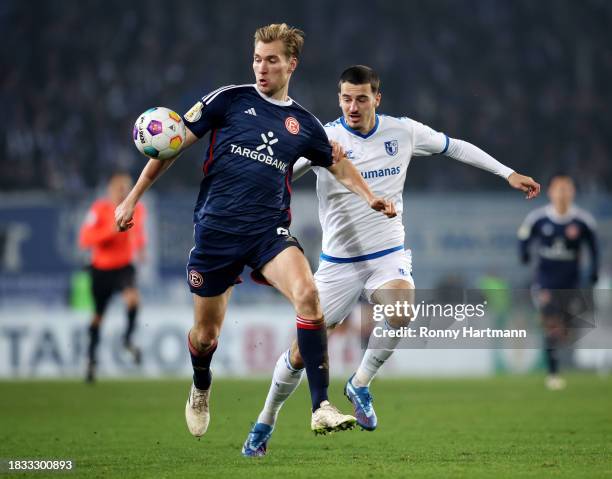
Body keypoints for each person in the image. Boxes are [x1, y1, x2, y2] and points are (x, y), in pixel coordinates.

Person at [242, 65, 540, 456]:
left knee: (401, 308)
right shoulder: (325, 138)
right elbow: (281, 173)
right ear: (339, 99)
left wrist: (507, 173)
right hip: (338, 264)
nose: (353, 106)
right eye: (346, 98)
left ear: (376, 99)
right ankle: (264, 423)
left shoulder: (402, 131)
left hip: (387, 255)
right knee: (301, 354)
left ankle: (360, 384)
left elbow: (456, 146)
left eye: (361, 98)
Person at [115, 25, 397, 439]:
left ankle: (320, 406)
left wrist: (369, 195)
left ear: (291, 64)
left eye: (272, 60)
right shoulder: (228, 100)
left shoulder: (303, 123)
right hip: (216, 232)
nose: (262, 68)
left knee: (309, 296)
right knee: (206, 335)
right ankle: (201, 385)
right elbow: (169, 147)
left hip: (268, 232)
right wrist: (131, 198)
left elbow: (336, 164)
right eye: (257, 59)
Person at [518, 174, 599, 390]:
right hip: (545, 282)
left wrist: (594, 271)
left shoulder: (582, 221)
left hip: (571, 284)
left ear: (572, 192)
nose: (563, 193)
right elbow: (524, 237)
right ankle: (553, 373)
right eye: (558, 189)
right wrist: (524, 254)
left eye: (567, 189)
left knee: (567, 329)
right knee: (550, 323)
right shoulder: (538, 218)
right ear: (551, 192)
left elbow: (594, 247)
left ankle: (564, 360)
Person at [79, 171, 146, 383]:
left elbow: (137, 233)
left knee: (133, 300)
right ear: (110, 190)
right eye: (119, 187)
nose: (123, 191)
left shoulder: (137, 208)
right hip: (101, 269)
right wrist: (112, 230)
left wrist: (141, 247)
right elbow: (85, 238)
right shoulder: (99, 209)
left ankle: (127, 339)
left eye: (127, 187)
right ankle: (91, 360)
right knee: (98, 316)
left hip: (124, 267)